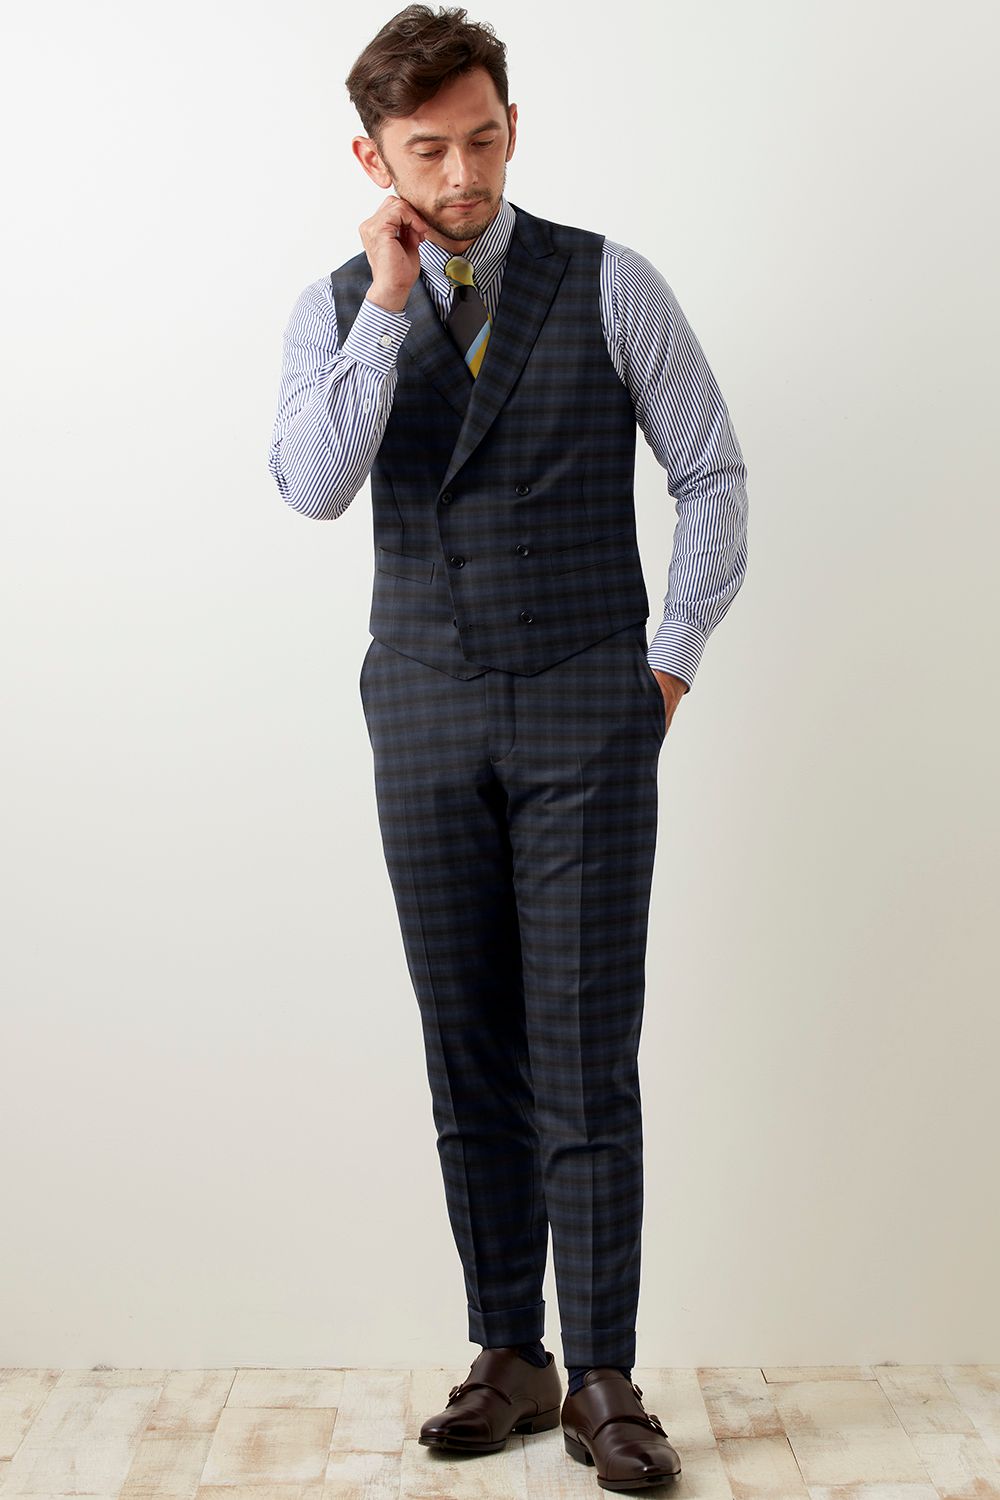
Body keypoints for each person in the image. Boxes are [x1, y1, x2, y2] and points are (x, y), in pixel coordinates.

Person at [268, 4, 748, 1488]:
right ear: (374, 157)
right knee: (465, 1043)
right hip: (421, 702)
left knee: (584, 1045)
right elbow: (312, 484)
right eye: (429, 151)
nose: (464, 174)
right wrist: (387, 303)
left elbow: (710, 468)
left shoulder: (612, 280)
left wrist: (667, 663)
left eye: (484, 139)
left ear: (513, 126)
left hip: (589, 699)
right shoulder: (337, 304)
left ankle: (603, 1372)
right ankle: (508, 1354)